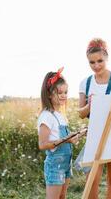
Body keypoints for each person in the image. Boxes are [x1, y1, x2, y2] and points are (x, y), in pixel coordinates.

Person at [75, 38, 111, 199]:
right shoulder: (85, 83)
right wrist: (89, 105)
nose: (96, 66)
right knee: (92, 179)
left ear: (107, 57)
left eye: (100, 61)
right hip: (95, 135)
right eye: (92, 62)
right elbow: (81, 113)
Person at [37, 67, 78, 199]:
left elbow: (62, 137)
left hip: (66, 163)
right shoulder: (46, 116)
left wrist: (73, 137)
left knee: (62, 196)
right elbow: (43, 144)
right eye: (59, 92)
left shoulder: (60, 115)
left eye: (66, 92)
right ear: (49, 94)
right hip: (56, 165)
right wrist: (65, 139)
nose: (64, 95)